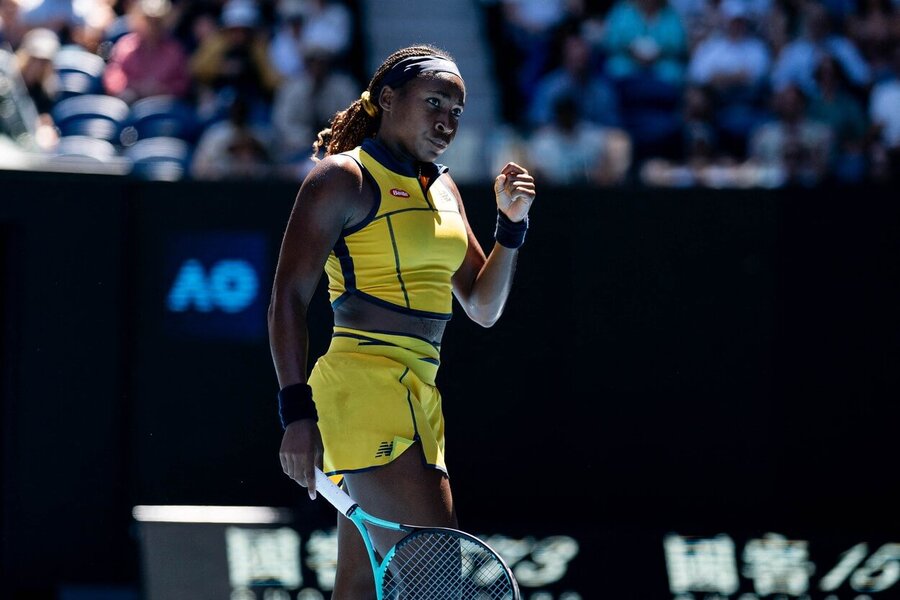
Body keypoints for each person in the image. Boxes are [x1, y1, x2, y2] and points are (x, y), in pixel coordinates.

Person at [268, 44, 535, 597]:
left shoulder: (445, 188)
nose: (446, 121)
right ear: (387, 99)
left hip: (418, 392)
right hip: (363, 389)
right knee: (436, 576)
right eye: (433, 102)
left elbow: (483, 307)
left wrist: (511, 226)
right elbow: (287, 299)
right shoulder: (342, 178)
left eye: (456, 112)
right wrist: (296, 412)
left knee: (361, 585)